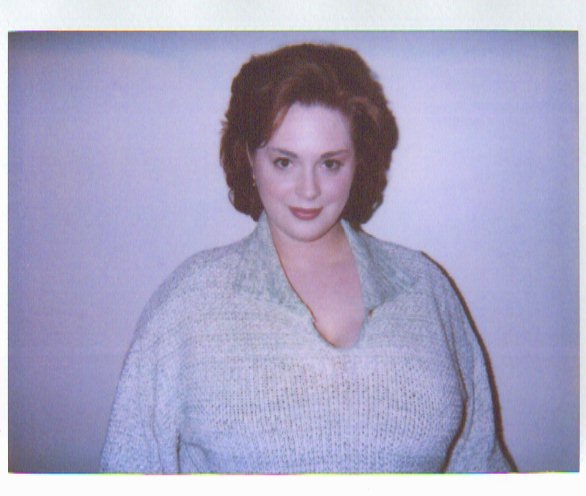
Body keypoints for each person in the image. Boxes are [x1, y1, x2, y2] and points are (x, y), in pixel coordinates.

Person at [101, 42, 514, 473]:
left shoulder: (425, 289)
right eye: (284, 162)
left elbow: (481, 466)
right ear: (250, 159)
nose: (309, 190)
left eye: (330, 164)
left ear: (358, 163)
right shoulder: (189, 304)